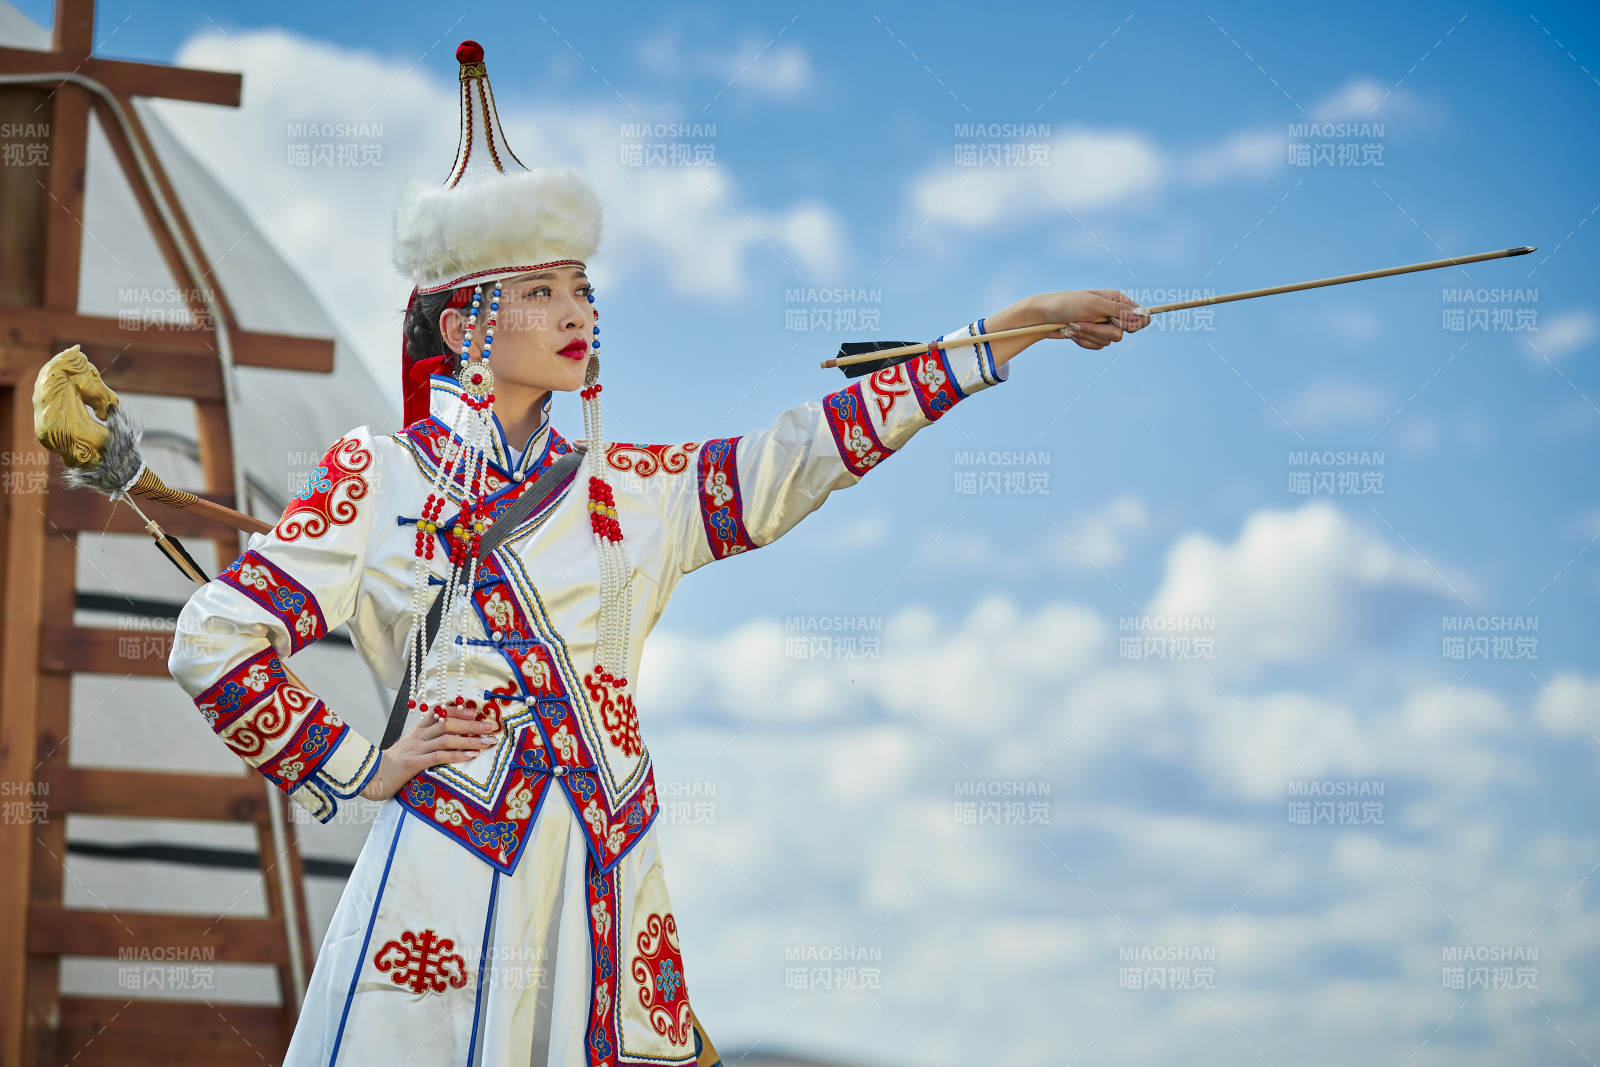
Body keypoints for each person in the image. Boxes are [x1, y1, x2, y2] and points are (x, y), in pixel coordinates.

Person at [166, 38, 1147, 1067]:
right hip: (452, 876)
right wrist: (358, 763)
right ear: (464, 323)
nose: (578, 311)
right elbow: (215, 635)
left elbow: (803, 450)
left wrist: (1017, 328)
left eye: (581, 288)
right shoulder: (382, 478)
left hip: (608, 877)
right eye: (541, 291)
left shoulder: (632, 487)